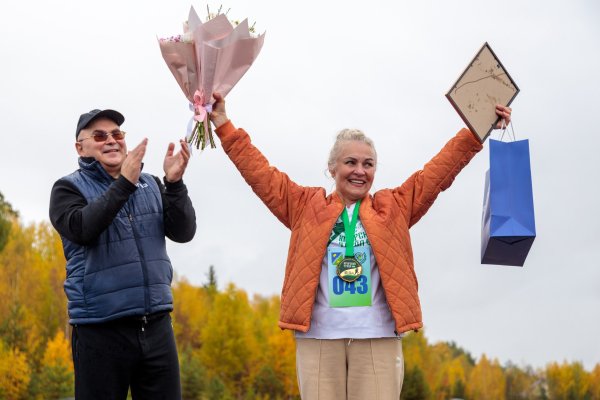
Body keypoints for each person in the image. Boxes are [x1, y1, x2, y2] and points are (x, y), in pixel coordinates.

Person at [209, 93, 511, 400]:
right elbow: (260, 173)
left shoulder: (393, 207)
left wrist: (477, 128)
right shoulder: (303, 206)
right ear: (332, 168)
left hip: (376, 337)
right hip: (319, 339)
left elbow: (438, 172)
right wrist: (222, 123)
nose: (360, 171)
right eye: (350, 162)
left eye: (368, 164)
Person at [49, 108, 196, 399]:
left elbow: (184, 232)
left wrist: (174, 184)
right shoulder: (67, 189)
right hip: (99, 331)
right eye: (100, 136)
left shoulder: (151, 184)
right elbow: (83, 229)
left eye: (117, 134)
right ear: (80, 147)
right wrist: (124, 184)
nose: (111, 141)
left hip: (156, 327)